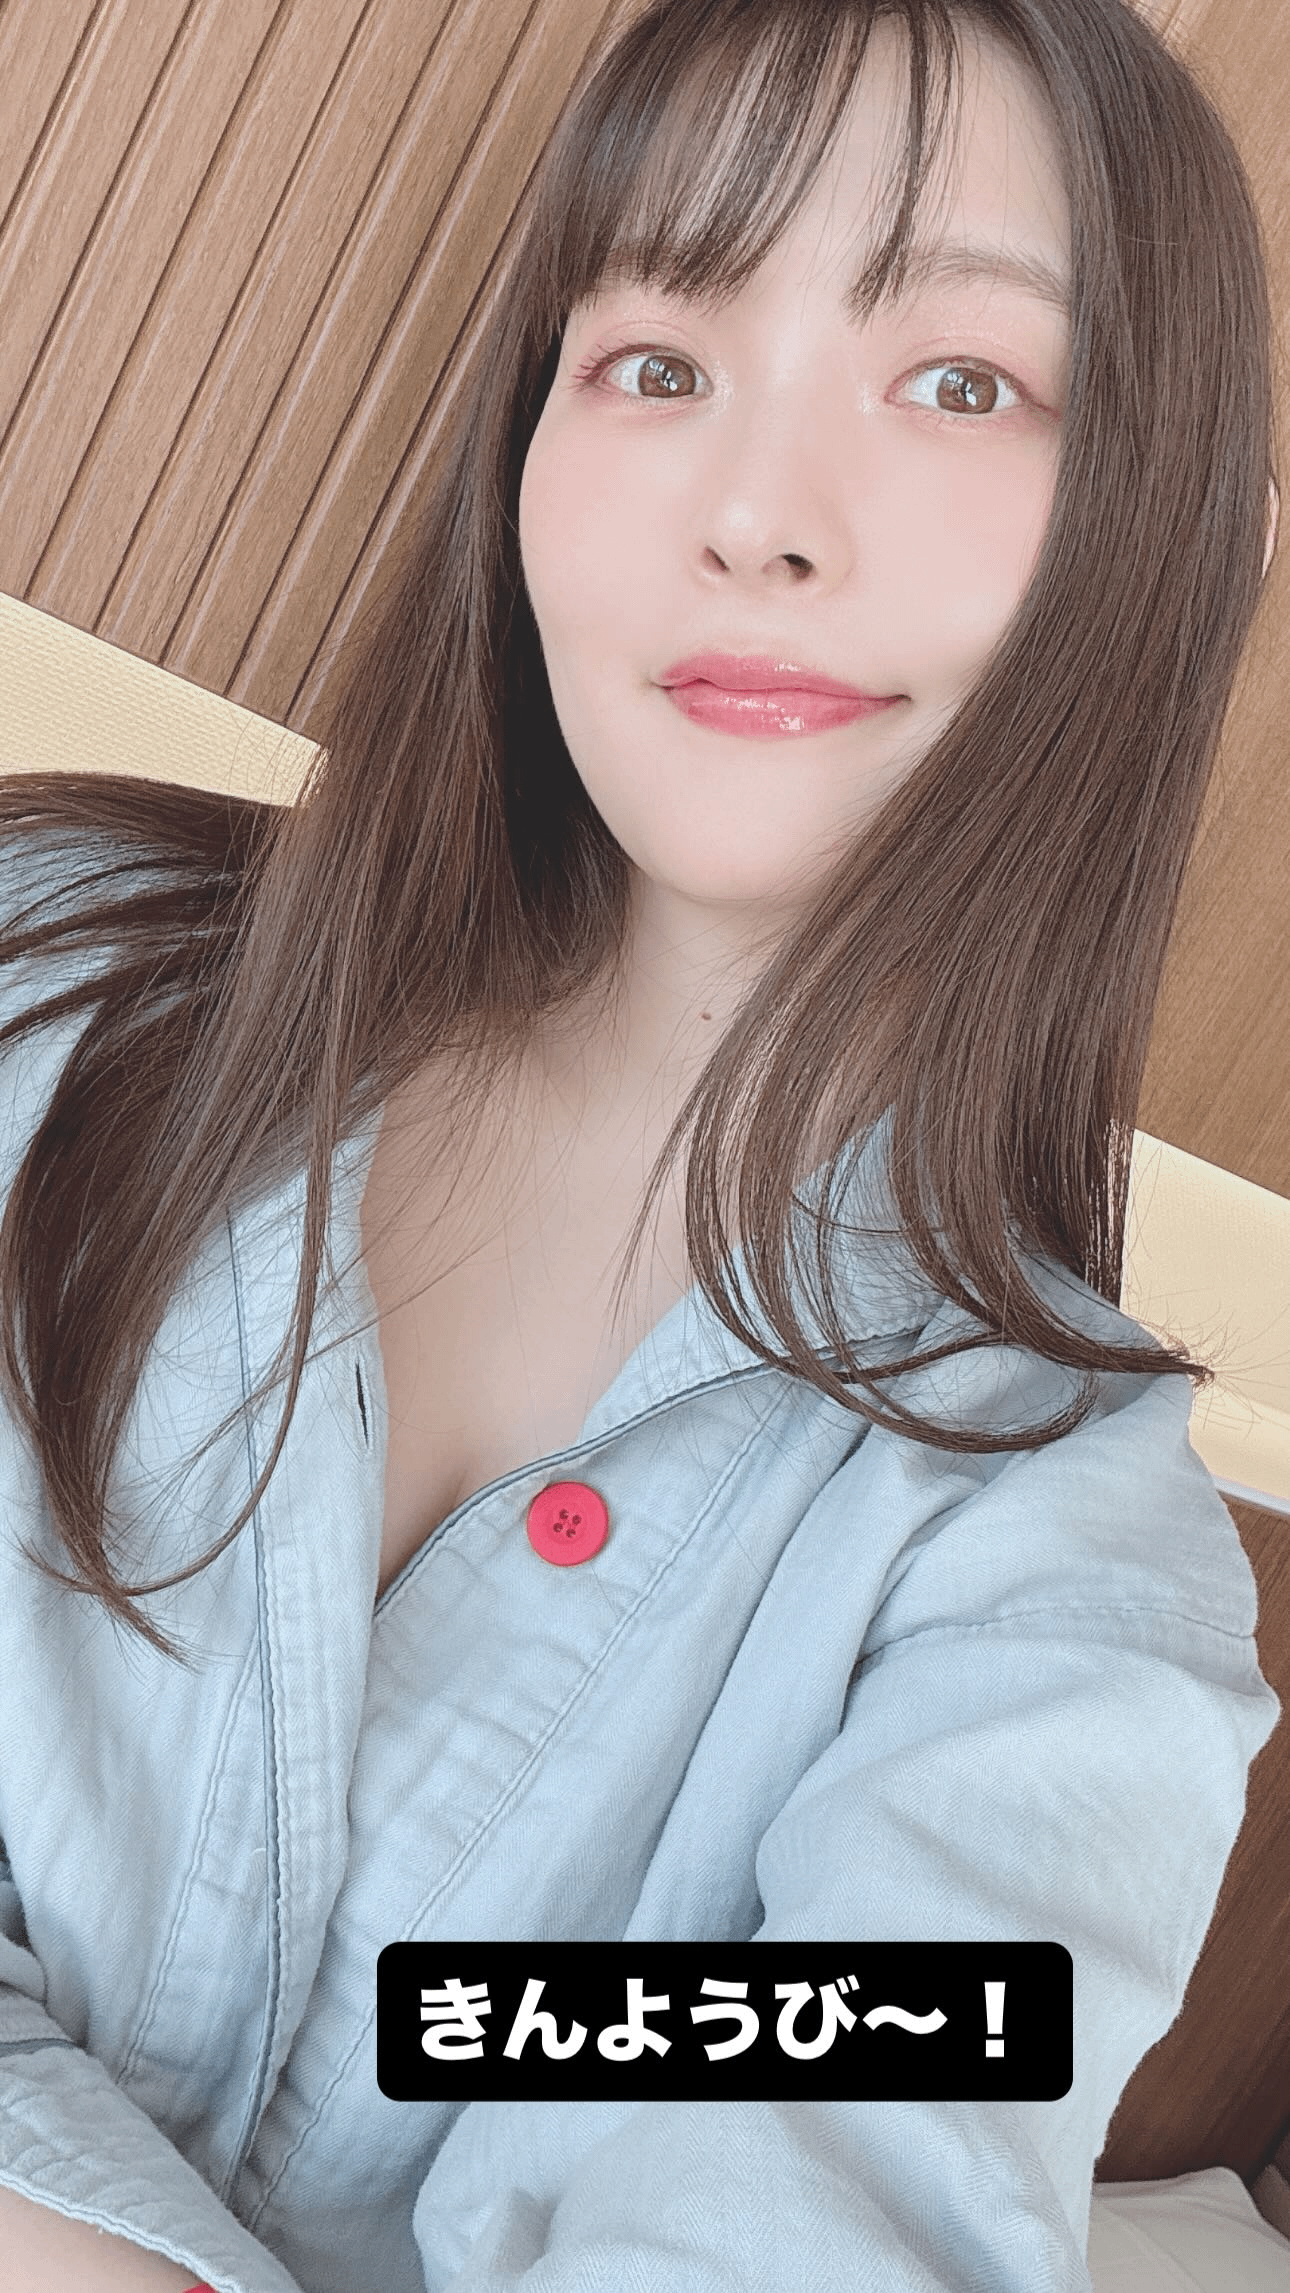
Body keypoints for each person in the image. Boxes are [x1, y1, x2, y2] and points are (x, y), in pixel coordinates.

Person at [0, 0, 1281, 2286]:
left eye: (962, 381)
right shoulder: (42, 980)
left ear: (1184, 540)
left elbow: (836, 2189)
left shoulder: (1064, 1594)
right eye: (658, 361)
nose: (756, 518)